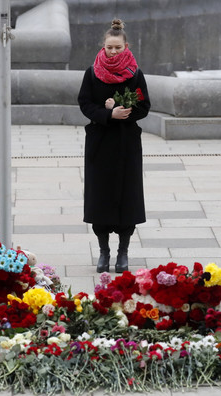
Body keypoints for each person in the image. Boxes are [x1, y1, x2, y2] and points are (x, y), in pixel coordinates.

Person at [77, 18, 151, 273]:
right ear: (103, 46)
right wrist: (108, 114)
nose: (113, 52)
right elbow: (85, 103)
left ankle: (123, 252)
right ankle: (103, 252)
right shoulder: (92, 72)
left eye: (118, 48)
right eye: (110, 47)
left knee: (127, 197)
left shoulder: (135, 73)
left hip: (126, 144)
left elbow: (144, 106)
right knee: (100, 198)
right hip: (100, 144)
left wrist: (125, 112)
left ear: (126, 46)